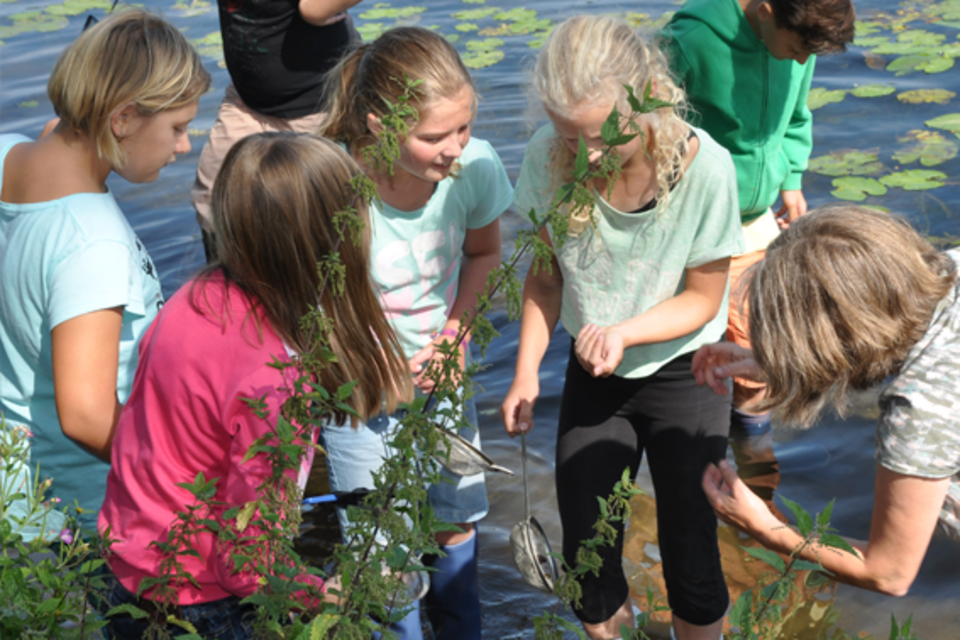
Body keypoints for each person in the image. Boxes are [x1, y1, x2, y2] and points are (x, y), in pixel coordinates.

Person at [98, 132, 413, 638]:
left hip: (128, 571)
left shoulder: (193, 299)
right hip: (200, 604)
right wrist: (317, 593)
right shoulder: (277, 386)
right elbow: (246, 564)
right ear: (332, 248)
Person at [500, 16, 743, 640]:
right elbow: (547, 280)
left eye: (608, 137)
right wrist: (526, 372)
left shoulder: (705, 170)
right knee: (587, 548)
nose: (589, 156)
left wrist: (626, 332)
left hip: (688, 372)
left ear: (650, 97)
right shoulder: (547, 160)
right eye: (571, 136)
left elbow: (703, 297)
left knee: (691, 541)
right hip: (596, 373)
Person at [317, 26, 513, 640]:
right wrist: (366, 361)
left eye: (464, 127)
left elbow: (483, 253)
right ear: (378, 123)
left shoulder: (473, 167)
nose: (454, 148)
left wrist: (457, 334)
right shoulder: (336, 188)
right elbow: (312, 300)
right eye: (433, 137)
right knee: (381, 550)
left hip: (441, 382)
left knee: (453, 524)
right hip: (360, 396)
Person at [0, 9, 210, 539]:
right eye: (176, 128)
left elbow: (57, 137)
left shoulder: (11, 154)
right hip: (72, 514)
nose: (183, 146)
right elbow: (87, 415)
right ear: (121, 120)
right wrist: (175, 481)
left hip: (14, 482)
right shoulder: (94, 243)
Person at [695, 204, 960, 598]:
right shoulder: (948, 268)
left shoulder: (918, 412)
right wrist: (779, 365)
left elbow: (888, 573)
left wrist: (764, 527)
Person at [659, 0, 855, 497]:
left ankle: (757, 488)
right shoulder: (691, 41)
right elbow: (650, 131)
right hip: (693, 224)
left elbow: (795, 117)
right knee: (692, 354)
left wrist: (790, 175)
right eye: (793, 50)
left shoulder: (799, 41)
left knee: (757, 357)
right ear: (766, 10)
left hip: (755, 222)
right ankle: (693, 474)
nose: (796, 62)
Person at [191, 0, 361, 262]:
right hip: (248, 102)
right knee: (215, 197)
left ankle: (327, 291)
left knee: (322, 214)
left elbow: (313, 8)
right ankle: (225, 291)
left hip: (319, 106)